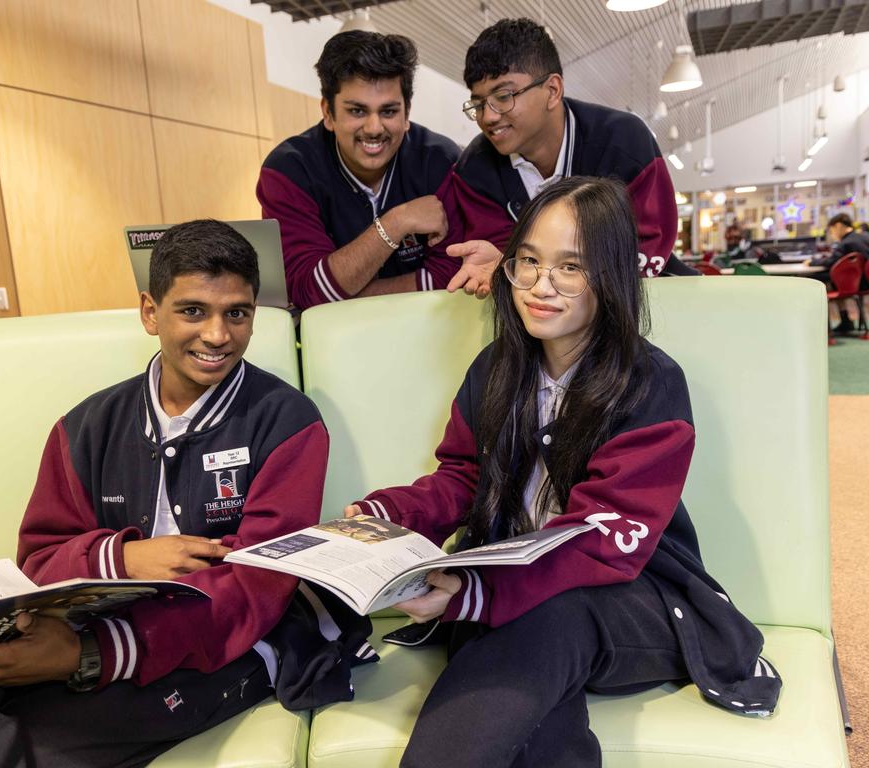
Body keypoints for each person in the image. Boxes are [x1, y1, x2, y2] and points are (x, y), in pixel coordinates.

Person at [0, 220, 372, 767]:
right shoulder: (88, 425)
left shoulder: (288, 422)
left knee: (28, 735)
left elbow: (258, 587)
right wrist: (120, 559)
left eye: (236, 313)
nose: (217, 335)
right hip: (74, 625)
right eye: (193, 310)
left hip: (208, 648)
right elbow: (40, 560)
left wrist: (88, 653)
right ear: (150, 312)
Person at [344, 177, 780, 767]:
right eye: (528, 261)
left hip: (627, 602)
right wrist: (388, 514)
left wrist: (477, 595)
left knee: (551, 611)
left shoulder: (650, 383)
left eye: (570, 267)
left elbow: (605, 543)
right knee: (540, 717)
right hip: (511, 598)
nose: (540, 286)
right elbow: (465, 481)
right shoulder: (496, 368)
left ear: (611, 275)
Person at [436, 18, 696, 300]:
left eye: (503, 96)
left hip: (642, 308)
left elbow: (645, 246)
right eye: (478, 103)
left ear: (552, 90)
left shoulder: (624, 142)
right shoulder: (473, 170)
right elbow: (504, 257)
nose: (488, 117)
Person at [257, 31, 463, 309]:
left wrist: (339, 292)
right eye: (357, 111)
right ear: (328, 114)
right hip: (328, 344)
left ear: (407, 114)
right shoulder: (289, 171)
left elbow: (452, 275)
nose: (374, 128)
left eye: (389, 111)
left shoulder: (440, 160)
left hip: (429, 331)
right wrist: (397, 222)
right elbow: (307, 290)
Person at [808, 213, 869, 332]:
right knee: (834, 280)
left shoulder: (846, 243)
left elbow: (831, 261)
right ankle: (846, 321)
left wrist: (811, 262)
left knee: (820, 280)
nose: (832, 234)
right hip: (865, 280)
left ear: (838, 226)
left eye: (832, 230)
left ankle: (843, 321)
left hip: (857, 283)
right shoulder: (864, 236)